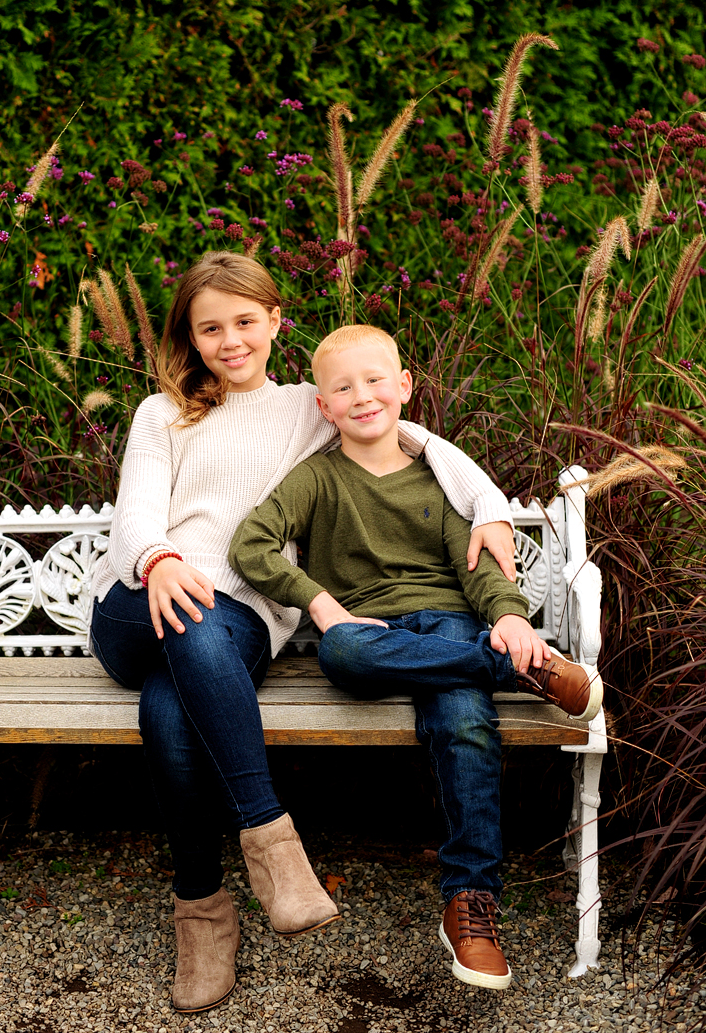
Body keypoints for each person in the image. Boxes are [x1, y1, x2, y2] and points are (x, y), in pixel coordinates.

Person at [88, 253, 520, 1012]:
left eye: (246, 323)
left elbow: (404, 430)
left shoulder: (303, 407)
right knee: (188, 616)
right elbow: (135, 517)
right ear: (190, 336)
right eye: (211, 327)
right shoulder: (162, 414)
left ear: (275, 322)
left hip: (236, 626)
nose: (231, 341)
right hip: (138, 603)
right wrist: (157, 560)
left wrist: (487, 505)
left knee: (171, 701)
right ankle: (273, 845)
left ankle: (203, 912)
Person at [229, 323, 603, 991]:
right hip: (369, 635)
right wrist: (319, 603)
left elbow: (481, 569)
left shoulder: (441, 476)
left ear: (404, 386)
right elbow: (250, 546)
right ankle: (519, 671)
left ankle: (469, 901)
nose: (362, 396)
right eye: (342, 387)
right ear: (323, 406)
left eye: (375, 380)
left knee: (464, 723)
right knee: (341, 648)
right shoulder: (316, 480)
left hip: (454, 628)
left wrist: (510, 618)